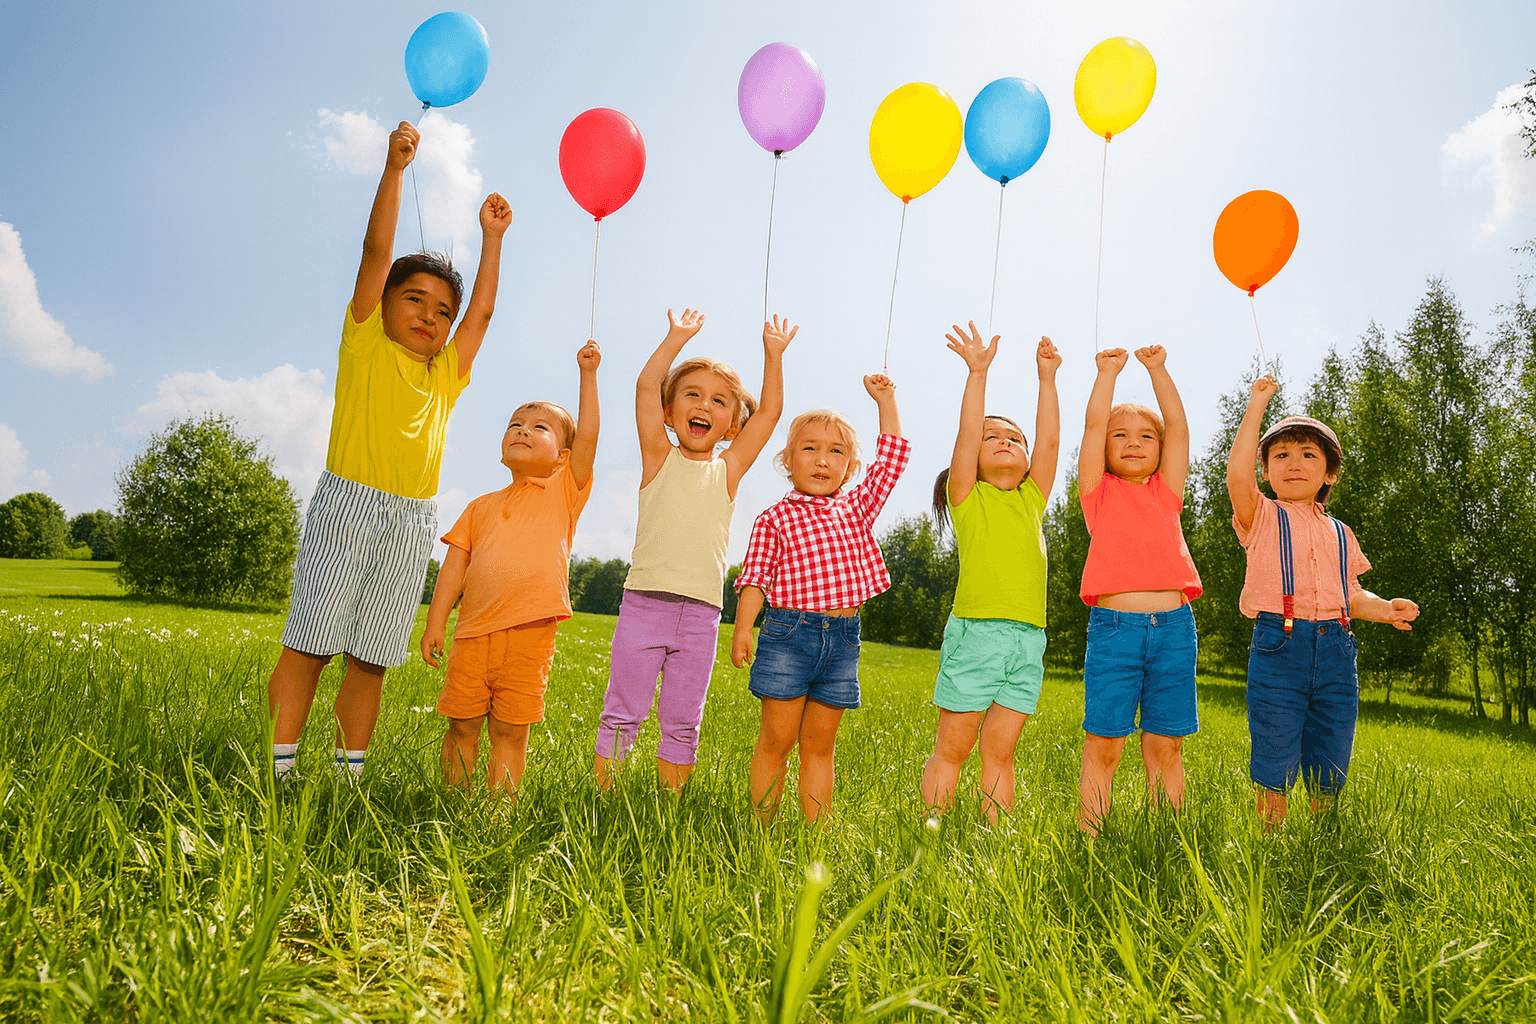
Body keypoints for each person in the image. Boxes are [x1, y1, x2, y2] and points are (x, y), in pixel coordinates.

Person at [267, 120, 511, 780]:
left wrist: (492, 241)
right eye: (416, 299)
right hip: (348, 504)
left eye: (441, 311)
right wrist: (395, 170)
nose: (431, 316)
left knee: (371, 656)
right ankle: (281, 771)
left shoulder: (445, 375)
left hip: (411, 521)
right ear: (385, 304)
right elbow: (377, 251)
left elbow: (481, 315)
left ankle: (348, 780)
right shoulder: (366, 342)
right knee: (310, 646)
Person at [592, 309, 795, 793]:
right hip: (644, 604)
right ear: (669, 412)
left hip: (702, 615)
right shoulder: (657, 456)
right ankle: (602, 800)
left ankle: (668, 807)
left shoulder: (728, 469)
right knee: (623, 711)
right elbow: (646, 386)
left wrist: (773, 354)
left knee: (683, 721)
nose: (704, 404)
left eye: (719, 400)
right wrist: (675, 339)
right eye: (692, 394)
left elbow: (768, 413)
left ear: (730, 426)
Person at [1227, 376, 1419, 825]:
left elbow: (1350, 594)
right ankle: (1269, 840)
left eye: (1308, 455)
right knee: (1274, 752)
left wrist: (1386, 608)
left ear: (1330, 472)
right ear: (1266, 471)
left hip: (1336, 649)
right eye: (1281, 456)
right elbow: (1237, 475)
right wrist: (1257, 405)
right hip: (1279, 645)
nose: (1294, 464)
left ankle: (1321, 841)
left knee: (1331, 752)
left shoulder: (1340, 531)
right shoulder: (1261, 516)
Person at [421, 342, 600, 795]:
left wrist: (588, 374)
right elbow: (453, 569)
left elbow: (590, 436)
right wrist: (436, 621)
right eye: (515, 425)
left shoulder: (565, 491)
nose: (522, 430)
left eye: (540, 427)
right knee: (461, 725)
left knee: (510, 731)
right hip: (472, 635)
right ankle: (453, 803)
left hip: (530, 634)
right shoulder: (479, 508)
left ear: (563, 454)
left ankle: (498, 812)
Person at [731, 374, 909, 823]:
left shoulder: (855, 509)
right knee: (777, 740)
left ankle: (816, 830)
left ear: (849, 468)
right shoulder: (775, 518)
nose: (822, 460)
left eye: (836, 452)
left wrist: (885, 400)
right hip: (789, 634)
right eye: (809, 448)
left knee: (820, 744)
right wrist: (743, 628)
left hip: (843, 639)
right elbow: (755, 578)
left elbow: (890, 462)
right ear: (787, 461)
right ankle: (762, 826)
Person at [919, 326, 1062, 825]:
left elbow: (1048, 438)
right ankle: (932, 831)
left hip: (1028, 642)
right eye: (991, 437)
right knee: (953, 748)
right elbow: (966, 432)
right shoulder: (968, 498)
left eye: (1013, 438)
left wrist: (1047, 377)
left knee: (1000, 752)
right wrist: (977, 372)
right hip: (976, 635)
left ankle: (993, 837)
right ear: (971, 459)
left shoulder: (1031, 500)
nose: (1005, 442)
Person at [1074, 346, 1201, 834]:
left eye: (1146, 436)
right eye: (1119, 435)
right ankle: (1091, 833)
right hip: (1114, 632)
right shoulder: (1098, 493)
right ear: (1104, 448)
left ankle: (1168, 837)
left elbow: (1181, 429)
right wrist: (1106, 373)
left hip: (1173, 630)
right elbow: (1089, 428)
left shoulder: (1166, 490)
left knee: (1165, 743)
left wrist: (1157, 370)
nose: (1133, 442)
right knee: (1105, 741)